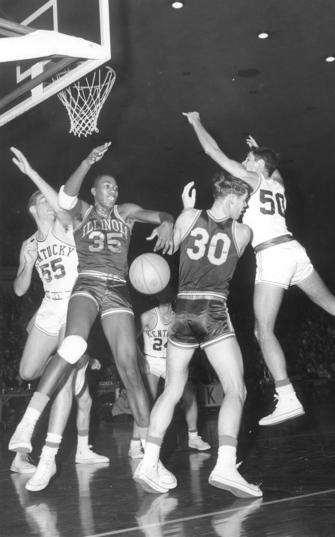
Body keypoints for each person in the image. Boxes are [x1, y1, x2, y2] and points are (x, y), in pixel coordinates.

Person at [183, 111, 335, 426]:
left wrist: (195, 123)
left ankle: (286, 398)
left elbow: (213, 153)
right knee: (333, 306)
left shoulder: (254, 179)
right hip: (295, 252)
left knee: (262, 331)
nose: (244, 161)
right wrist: (262, 153)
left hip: (273, 255)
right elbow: (274, 169)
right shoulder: (277, 184)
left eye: (249, 158)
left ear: (259, 166)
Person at [9, 142, 174, 489]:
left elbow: (157, 214)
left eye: (116, 185)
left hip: (117, 289)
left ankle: (149, 457)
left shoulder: (126, 212)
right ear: (95, 191)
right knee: (71, 344)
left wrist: (169, 222)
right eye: (107, 185)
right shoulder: (82, 212)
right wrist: (86, 161)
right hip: (86, 284)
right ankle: (28, 424)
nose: (113, 189)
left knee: (131, 368)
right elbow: (66, 198)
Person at [134, 176, 262, 498]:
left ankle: (148, 461)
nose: (245, 207)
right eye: (243, 200)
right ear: (231, 198)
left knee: (172, 387)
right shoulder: (242, 232)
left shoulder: (189, 217)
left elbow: (173, 246)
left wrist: (185, 210)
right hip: (213, 309)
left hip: (183, 310)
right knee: (235, 388)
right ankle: (226, 466)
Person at [8, 148, 108, 491]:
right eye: (43, 200)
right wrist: (25, 263)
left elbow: (65, 203)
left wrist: (32, 172)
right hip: (49, 307)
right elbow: (21, 290)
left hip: (74, 305)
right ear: (34, 209)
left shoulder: (66, 229)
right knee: (27, 373)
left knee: (64, 383)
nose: (50, 203)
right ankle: (69, 361)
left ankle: (47, 458)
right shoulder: (28, 244)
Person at [129, 287, 210, 459]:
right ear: (156, 295)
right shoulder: (148, 316)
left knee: (189, 395)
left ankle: (193, 437)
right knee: (146, 400)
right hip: (152, 361)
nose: (165, 295)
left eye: (168, 292)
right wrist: (140, 359)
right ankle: (135, 444)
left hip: (172, 362)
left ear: (173, 296)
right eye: (162, 292)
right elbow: (130, 339)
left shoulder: (178, 317)